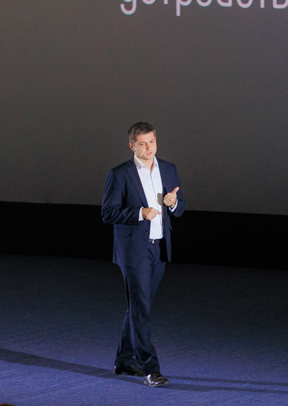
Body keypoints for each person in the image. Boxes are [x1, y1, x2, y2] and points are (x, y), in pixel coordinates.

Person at [101, 121, 185, 387]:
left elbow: (180, 207)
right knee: (140, 309)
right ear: (132, 146)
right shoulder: (120, 174)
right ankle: (151, 369)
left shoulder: (168, 169)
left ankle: (124, 361)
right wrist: (140, 213)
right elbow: (108, 213)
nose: (149, 148)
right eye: (142, 144)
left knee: (139, 307)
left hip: (159, 248)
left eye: (152, 142)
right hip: (134, 251)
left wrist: (174, 204)